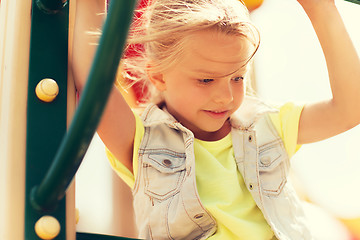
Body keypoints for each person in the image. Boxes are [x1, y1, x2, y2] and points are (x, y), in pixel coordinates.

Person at [72, 0, 360, 239]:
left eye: (237, 77)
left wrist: (321, 10)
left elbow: (349, 110)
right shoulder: (144, 141)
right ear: (159, 75)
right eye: (206, 79)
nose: (225, 96)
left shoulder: (267, 126)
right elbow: (95, 85)